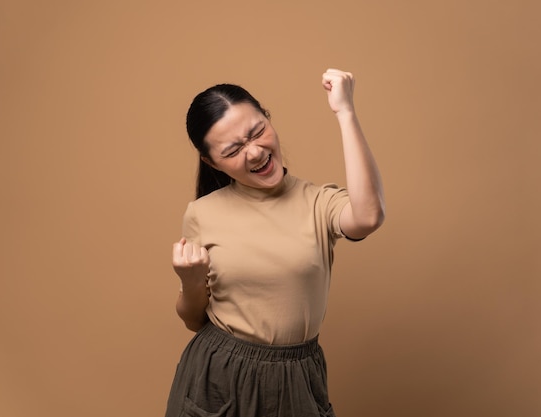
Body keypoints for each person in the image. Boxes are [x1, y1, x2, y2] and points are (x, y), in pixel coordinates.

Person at [165, 69, 385, 417]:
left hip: (296, 375)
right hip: (217, 375)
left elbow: (369, 216)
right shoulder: (201, 214)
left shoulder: (318, 202)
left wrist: (345, 112)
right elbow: (194, 320)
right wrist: (190, 281)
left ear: (268, 118)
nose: (254, 153)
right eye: (234, 149)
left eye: (257, 132)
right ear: (211, 162)